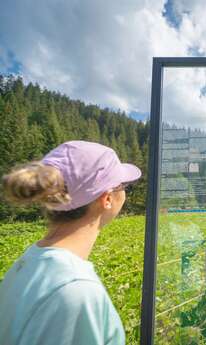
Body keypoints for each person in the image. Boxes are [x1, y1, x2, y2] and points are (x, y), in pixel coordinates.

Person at [0, 141, 141, 345]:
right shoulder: (76, 292)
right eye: (123, 185)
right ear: (107, 198)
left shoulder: (27, 262)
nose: (125, 192)